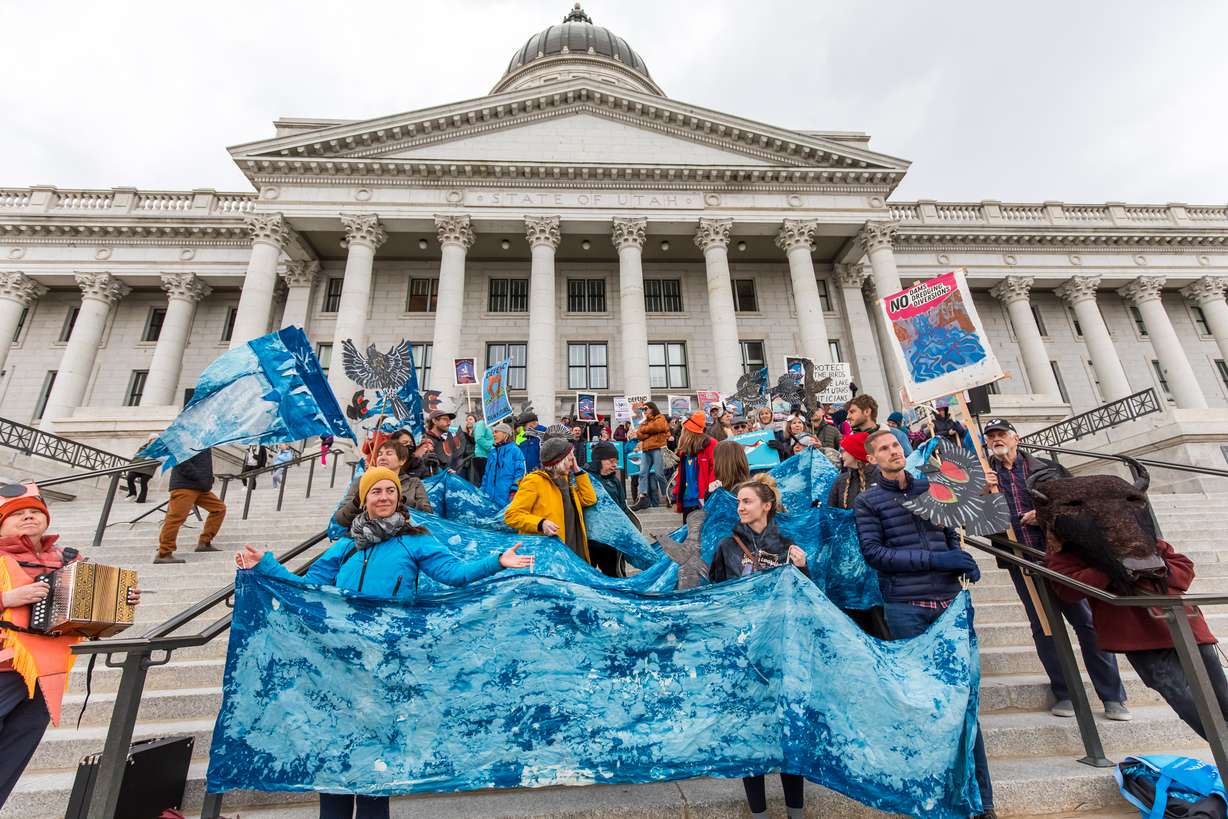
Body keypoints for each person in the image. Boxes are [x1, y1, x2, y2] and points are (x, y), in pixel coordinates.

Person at [235, 466, 533, 819]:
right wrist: (265, 567)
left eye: (390, 491)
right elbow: (308, 591)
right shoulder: (345, 545)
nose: (385, 497)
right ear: (364, 500)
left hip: (385, 663)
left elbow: (455, 575)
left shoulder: (415, 539)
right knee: (335, 755)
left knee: (374, 761)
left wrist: (497, 562)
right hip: (337, 662)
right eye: (376, 491)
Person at [853, 429, 995, 818]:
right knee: (925, 703)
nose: (893, 452)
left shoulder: (932, 487)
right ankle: (933, 796)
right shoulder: (867, 501)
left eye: (896, 445)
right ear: (872, 459)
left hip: (950, 604)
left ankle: (982, 800)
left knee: (965, 702)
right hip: (907, 607)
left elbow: (950, 533)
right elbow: (875, 554)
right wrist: (935, 561)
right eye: (883, 448)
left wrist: (961, 559)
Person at [1, 485, 142, 810]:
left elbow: (89, 616)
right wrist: (7, 599)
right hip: (3, 670)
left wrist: (120, 600)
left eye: (34, 512)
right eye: (17, 513)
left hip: (46, 676)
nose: (28, 517)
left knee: (11, 759)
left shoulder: (69, 559)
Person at [983, 418, 1130, 720]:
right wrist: (984, 495)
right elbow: (981, 525)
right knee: (1044, 627)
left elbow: (1080, 505)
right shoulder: (985, 477)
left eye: (1002, 435)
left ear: (1016, 438)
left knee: (1087, 624)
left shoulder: (1046, 469)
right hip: (1021, 562)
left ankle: (1112, 696)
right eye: (991, 436)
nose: (997, 440)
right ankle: (1065, 692)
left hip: (1061, 558)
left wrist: (1044, 514)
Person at [1047, 527, 1226, 743]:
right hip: (1137, 636)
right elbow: (1066, 589)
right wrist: (1110, 568)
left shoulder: (1145, 540)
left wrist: (1152, 566)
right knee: (1180, 696)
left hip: (1185, 625)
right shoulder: (1074, 550)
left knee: (1221, 694)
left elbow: (1184, 571)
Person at [707, 476, 808, 819]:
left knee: (788, 732)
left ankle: (796, 812)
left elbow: (810, 599)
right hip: (744, 652)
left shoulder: (789, 543)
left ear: (766, 506)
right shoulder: (726, 546)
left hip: (782, 650)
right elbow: (715, 596)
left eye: (747, 501)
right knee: (750, 732)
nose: (740, 507)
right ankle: (759, 813)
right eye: (738, 503)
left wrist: (804, 568)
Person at [505, 437, 598, 565]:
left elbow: (589, 499)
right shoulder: (534, 481)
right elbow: (512, 515)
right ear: (560, 461)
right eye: (570, 459)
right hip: (549, 556)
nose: (572, 463)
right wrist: (540, 523)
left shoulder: (565, 480)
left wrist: (578, 471)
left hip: (573, 552)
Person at [334, 440, 432, 528]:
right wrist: (358, 501)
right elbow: (341, 519)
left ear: (402, 460)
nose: (382, 457)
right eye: (380, 454)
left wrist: (400, 511)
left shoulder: (414, 483)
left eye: (389, 453)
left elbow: (426, 514)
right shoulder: (362, 481)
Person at [156, 448, 226, 564]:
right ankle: (164, 553)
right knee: (176, 518)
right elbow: (179, 460)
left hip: (200, 487)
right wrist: (198, 476)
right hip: (185, 486)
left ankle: (204, 542)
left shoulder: (204, 441)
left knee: (219, 508)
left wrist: (208, 478)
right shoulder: (186, 439)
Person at [584, 440, 630, 577]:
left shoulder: (615, 481)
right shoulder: (584, 477)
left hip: (611, 540)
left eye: (616, 461)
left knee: (615, 577)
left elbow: (623, 507)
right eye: (611, 461)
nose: (615, 465)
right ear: (599, 460)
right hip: (589, 540)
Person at [672, 412, 717, 522]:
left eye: (684, 429)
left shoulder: (711, 444)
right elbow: (681, 476)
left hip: (703, 500)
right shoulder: (684, 450)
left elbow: (715, 470)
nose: (682, 432)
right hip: (687, 500)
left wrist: (710, 494)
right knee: (688, 534)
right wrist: (675, 496)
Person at [631, 402, 670, 511]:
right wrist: (650, 431)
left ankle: (667, 495)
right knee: (642, 473)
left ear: (653, 408)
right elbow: (639, 434)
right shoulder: (644, 421)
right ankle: (642, 497)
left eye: (646, 409)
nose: (644, 411)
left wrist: (646, 430)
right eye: (643, 409)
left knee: (659, 474)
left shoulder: (660, 418)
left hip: (658, 448)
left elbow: (658, 427)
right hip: (646, 450)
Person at [846, 394, 912, 456]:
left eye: (852, 412)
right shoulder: (849, 442)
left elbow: (910, 460)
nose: (848, 417)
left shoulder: (896, 434)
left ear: (867, 412)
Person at [827, 432, 876, 510]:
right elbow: (831, 511)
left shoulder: (881, 478)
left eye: (843, 451)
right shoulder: (840, 481)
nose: (840, 456)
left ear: (856, 452)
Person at [480, 423, 526, 506]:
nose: (493, 434)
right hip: (489, 499)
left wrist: (514, 491)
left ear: (505, 434)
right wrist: (481, 492)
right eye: (493, 432)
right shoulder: (492, 452)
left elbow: (520, 474)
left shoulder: (515, 451)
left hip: (506, 499)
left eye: (496, 432)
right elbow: (486, 476)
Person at [421, 410, 459, 476]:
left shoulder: (442, 441)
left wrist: (449, 471)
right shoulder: (426, 440)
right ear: (434, 421)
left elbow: (444, 465)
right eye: (445, 419)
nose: (449, 423)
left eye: (449, 420)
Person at [125, 434, 158, 503]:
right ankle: (132, 493)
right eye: (152, 439)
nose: (153, 441)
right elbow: (136, 456)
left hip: (148, 469)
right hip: (138, 466)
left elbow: (160, 461)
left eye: (155, 439)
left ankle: (141, 499)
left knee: (143, 482)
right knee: (130, 477)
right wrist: (131, 465)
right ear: (149, 440)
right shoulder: (143, 447)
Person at [455, 413, 479, 485]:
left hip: (474, 464)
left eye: (470, 419)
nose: (468, 421)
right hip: (464, 463)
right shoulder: (462, 434)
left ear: (476, 422)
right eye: (467, 420)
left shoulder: (479, 434)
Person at [471, 415, 494, 487]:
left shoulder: (489, 425)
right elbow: (478, 438)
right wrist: (491, 448)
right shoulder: (481, 423)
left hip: (487, 456)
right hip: (481, 457)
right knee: (483, 482)